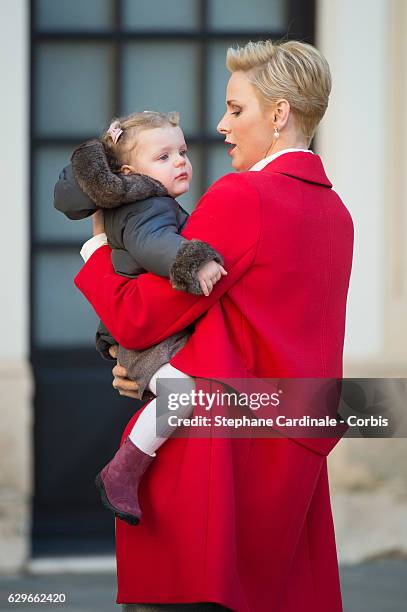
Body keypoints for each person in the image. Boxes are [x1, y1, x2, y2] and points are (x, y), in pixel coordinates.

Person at [62, 39, 354, 611]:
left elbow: (136, 316)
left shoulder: (244, 198)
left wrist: (97, 247)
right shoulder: (335, 212)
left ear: (279, 114)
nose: (221, 125)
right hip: (291, 460)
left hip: (215, 460)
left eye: (236, 109)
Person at [54, 110, 228, 526]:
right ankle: (122, 471)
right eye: (163, 157)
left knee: (184, 394)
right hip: (144, 340)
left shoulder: (145, 201)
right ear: (130, 173)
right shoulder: (147, 205)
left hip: (148, 337)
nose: (181, 161)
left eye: (182, 151)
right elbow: (153, 244)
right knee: (182, 394)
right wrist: (193, 260)